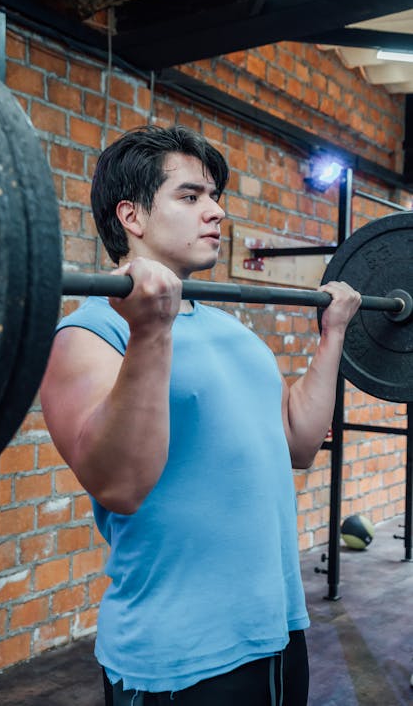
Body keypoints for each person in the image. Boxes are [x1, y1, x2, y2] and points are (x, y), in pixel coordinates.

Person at [40, 125, 361, 706]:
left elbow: (299, 442)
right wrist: (151, 327)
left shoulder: (228, 328)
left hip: (277, 629)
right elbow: (120, 485)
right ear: (131, 216)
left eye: (215, 197)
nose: (215, 213)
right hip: (177, 653)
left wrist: (332, 333)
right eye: (191, 197)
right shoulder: (88, 333)